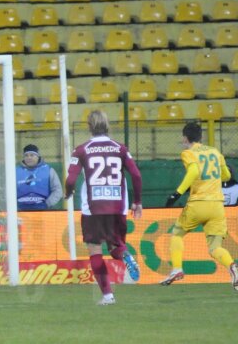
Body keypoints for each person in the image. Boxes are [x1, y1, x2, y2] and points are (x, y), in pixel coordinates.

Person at [63, 110, 143, 305]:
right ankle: (125, 254)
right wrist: (137, 202)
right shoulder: (120, 149)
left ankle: (108, 295)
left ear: (89, 127)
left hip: (94, 208)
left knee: (95, 250)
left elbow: (71, 178)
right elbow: (136, 175)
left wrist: (68, 193)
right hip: (118, 205)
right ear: (108, 126)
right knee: (115, 245)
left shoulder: (81, 150)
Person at [159, 121, 238, 289]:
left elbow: (194, 171)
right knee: (215, 248)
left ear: (185, 138)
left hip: (198, 203)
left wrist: (177, 193)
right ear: (201, 136)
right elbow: (226, 175)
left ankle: (177, 269)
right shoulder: (215, 152)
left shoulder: (188, 153)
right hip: (217, 205)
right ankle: (232, 266)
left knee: (177, 234)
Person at [15, 143, 64, 211]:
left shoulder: (48, 170)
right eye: (26, 155)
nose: (29, 157)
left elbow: (58, 190)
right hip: (20, 208)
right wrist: (15, 205)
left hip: (42, 207)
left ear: (38, 156)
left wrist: (47, 204)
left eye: (32, 155)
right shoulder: (15, 172)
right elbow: (8, 191)